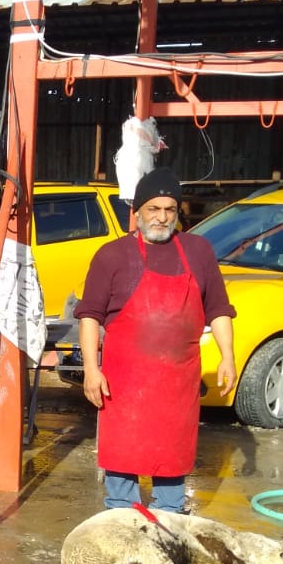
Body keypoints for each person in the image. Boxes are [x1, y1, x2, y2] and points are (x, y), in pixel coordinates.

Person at [75, 167, 236, 513]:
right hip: (123, 383)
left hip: (177, 381)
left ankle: (169, 517)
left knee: (171, 456)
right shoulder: (112, 255)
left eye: (170, 210)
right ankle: (121, 518)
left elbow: (219, 308)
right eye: (153, 209)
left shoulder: (198, 251)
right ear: (136, 212)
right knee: (123, 461)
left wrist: (228, 356)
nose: (162, 218)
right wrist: (91, 368)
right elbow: (89, 316)